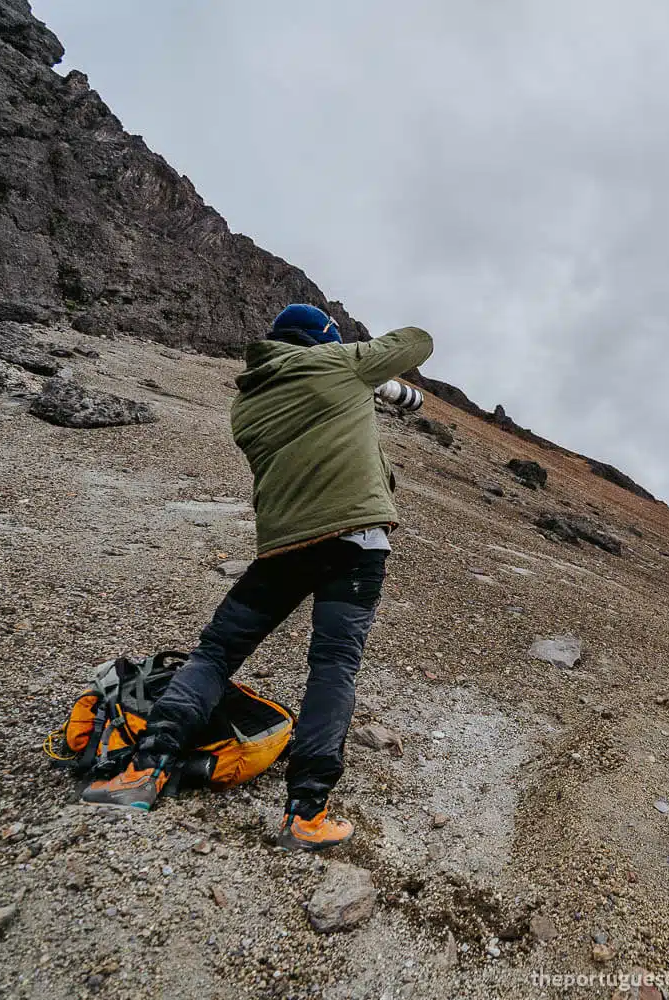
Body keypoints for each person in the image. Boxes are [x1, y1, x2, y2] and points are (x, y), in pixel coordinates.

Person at [82, 304, 433, 851]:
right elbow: (418, 339)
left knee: (216, 653)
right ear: (321, 341)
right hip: (355, 545)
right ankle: (306, 814)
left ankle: (142, 772)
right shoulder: (336, 364)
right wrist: (375, 379)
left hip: (283, 545)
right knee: (333, 664)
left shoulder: (245, 403)